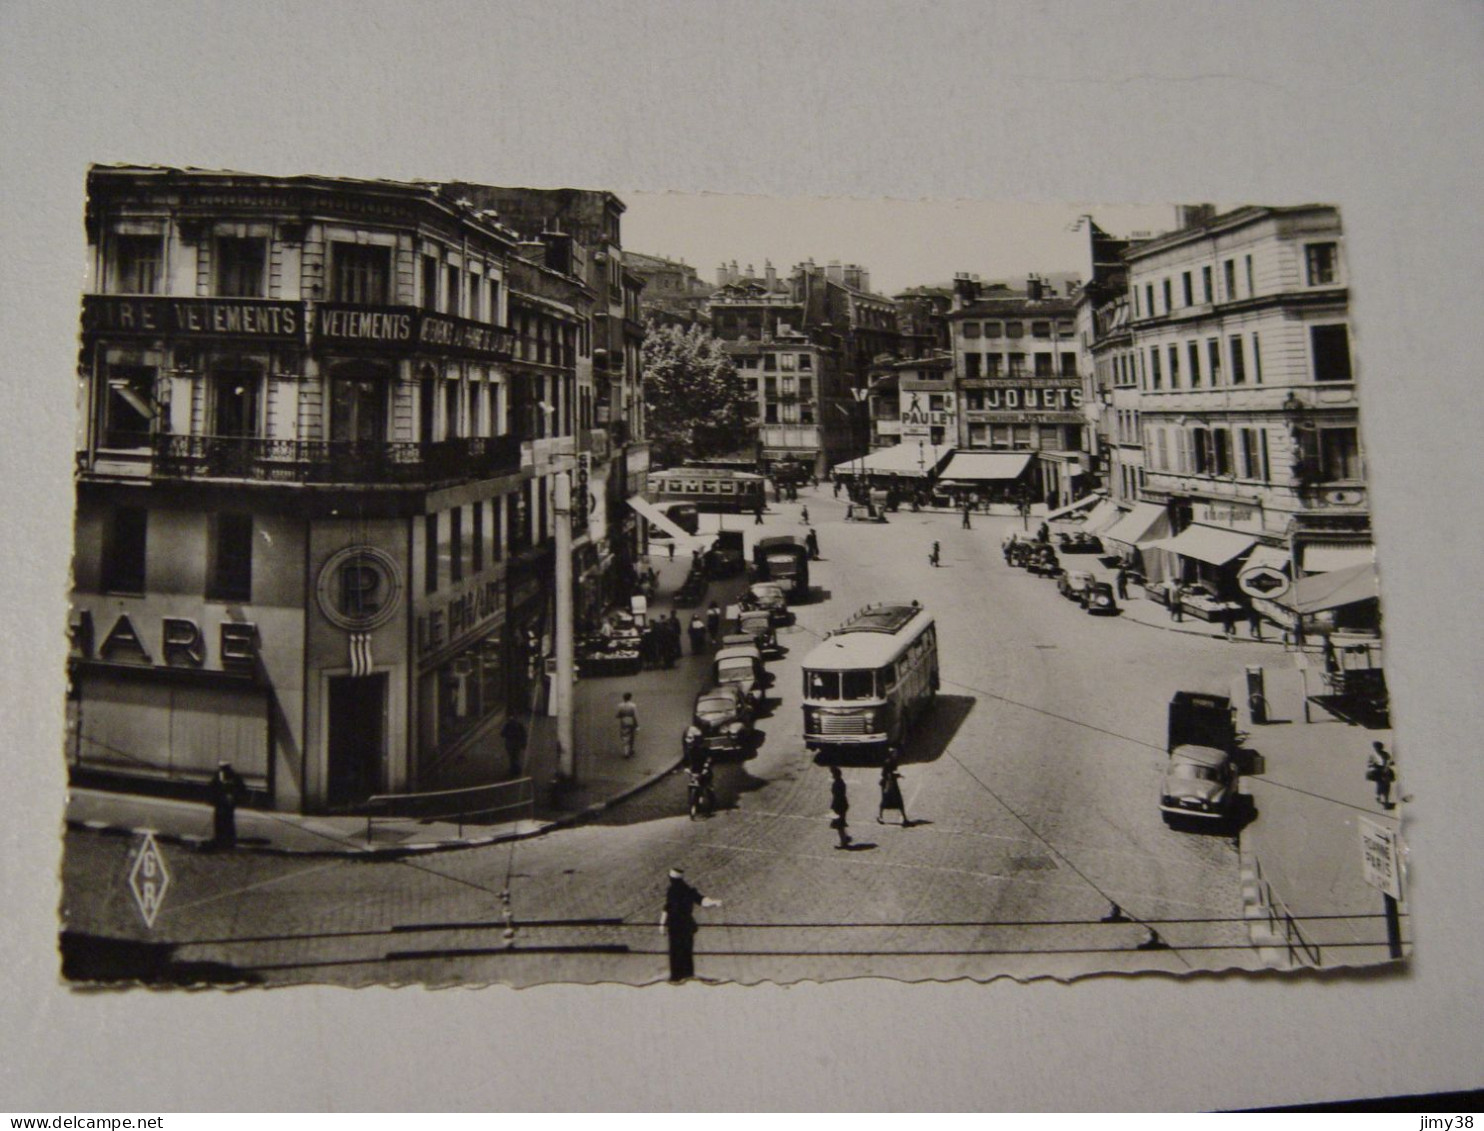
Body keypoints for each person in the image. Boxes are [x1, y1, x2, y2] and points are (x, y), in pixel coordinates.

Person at [659, 867, 721, 982]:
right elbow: (701, 900)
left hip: (674, 926)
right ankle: (687, 975)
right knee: (686, 951)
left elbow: (667, 908)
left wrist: (662, 924)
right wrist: (713, 902)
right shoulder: (687, 890)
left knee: (675, 952)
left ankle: (677, 977)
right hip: (686, 925)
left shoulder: (671, 890)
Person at [209, 760, 245, 850]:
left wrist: (234, 798)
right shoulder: (217, 776)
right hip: (220, 802)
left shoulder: (235, 777)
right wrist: (214, 799)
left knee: (228, 821)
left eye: (225, 768)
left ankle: (229, 841)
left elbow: (241, 788)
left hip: (229, 803)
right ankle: (219, 839)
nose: (223, 770)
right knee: (219, 820)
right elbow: (212, 788)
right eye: (222, 768)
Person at [878, 750, 909, 826]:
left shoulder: (894, 761)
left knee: (898, 801)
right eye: (895, 753)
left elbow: (893, 772)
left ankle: (904, 818)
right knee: (885, 801)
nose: (896, 755)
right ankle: (880, 816)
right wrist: (887, 786)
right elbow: (885, 774)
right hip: (888, 784)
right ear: (891, 754)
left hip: (893, 783)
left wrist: (898, 775)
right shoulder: (887, 762)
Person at [1367, 742, 1396, 809]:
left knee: (1385, 787)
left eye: (1378, 747)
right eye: (1376, 748)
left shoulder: (1384, 754)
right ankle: (1381, 799)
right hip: (1379, 773)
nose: (1377, 749)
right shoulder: (1374, 755)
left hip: (1384, 772)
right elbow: (1370, 765)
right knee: (1382, 785)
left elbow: (1390, 762)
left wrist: (1389, 764)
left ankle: (1385, 801)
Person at [829, 765, 852, 849]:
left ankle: (843, 842)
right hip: (842, 804)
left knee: (839, 824)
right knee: (840, 822)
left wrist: (833, 806)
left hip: (839, 805)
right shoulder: (841, 782)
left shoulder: (837, 783)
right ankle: (845, 838)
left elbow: (837, 796)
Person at [616, 692, 639, 758]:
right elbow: (635, 715)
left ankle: (626, 752)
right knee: (632, 736)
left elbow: (618, 715)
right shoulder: (633, 705)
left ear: (623, 698)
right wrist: (637, 725)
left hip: (624, 721)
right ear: (630, 698)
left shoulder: (620, 705)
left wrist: (620, 716)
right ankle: (630, 749)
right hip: (631, 720)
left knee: (625, 736)